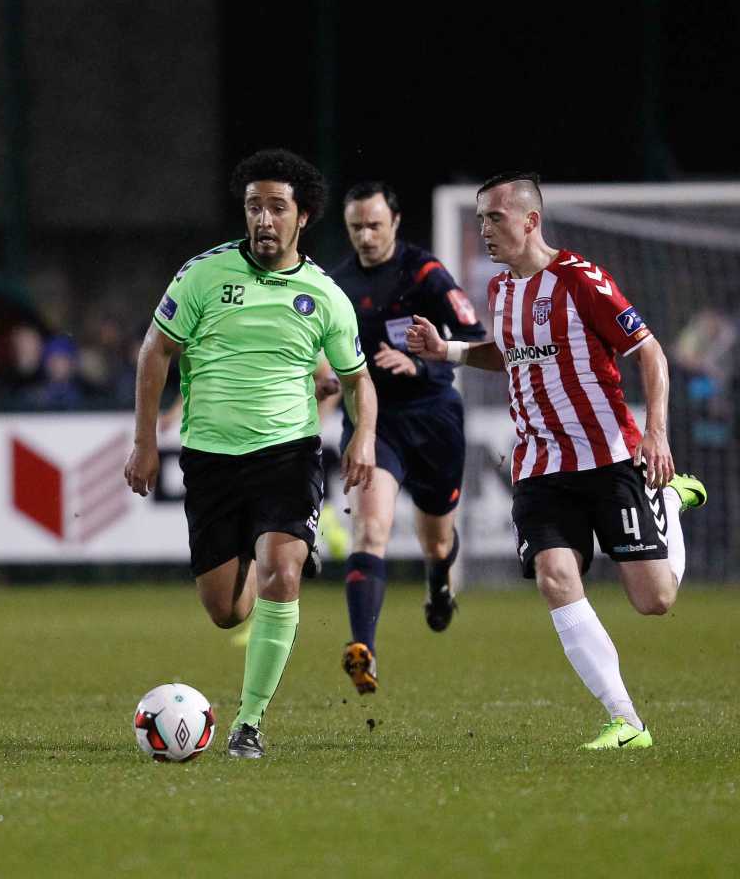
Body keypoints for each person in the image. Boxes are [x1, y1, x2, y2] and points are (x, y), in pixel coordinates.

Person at [407, 171, 707, 750]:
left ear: (530, 220)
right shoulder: (500, 291)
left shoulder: (581, 281)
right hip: (539, 465)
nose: (485, 230)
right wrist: (447, 351)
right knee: (554, 577)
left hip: (608, 459)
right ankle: (627, 721)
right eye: (479, 220)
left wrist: (657, 434)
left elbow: (649, 351)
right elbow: (509, 353)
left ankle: (666, 497)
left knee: (655, 600)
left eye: (495, 218)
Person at [124, 148, 377, 759]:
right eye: (253, 207)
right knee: (224, 611)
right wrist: (144, 443)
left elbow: (357, 378)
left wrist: (363, 435)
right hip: (209, 460)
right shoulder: (202, 276)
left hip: (287, 455)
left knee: (280, 574)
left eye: (277, 208)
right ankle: (274, 569)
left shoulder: (325, 296)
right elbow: (155, 352)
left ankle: (250, 724)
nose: (263, 219)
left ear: (303, 216)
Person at [329, 181, 485, 695]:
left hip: (435, 418)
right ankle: (363, 649)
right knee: (369, 530)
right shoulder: (338, 283)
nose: (366, 236)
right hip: (375, 424)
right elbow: (321, 351)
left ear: (395, 222)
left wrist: (420, 360)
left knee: (436, 540)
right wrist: (325, 379)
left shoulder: (425, 274)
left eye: (375, 225)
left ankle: (438, 584)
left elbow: (476, 335)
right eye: (356, 227)